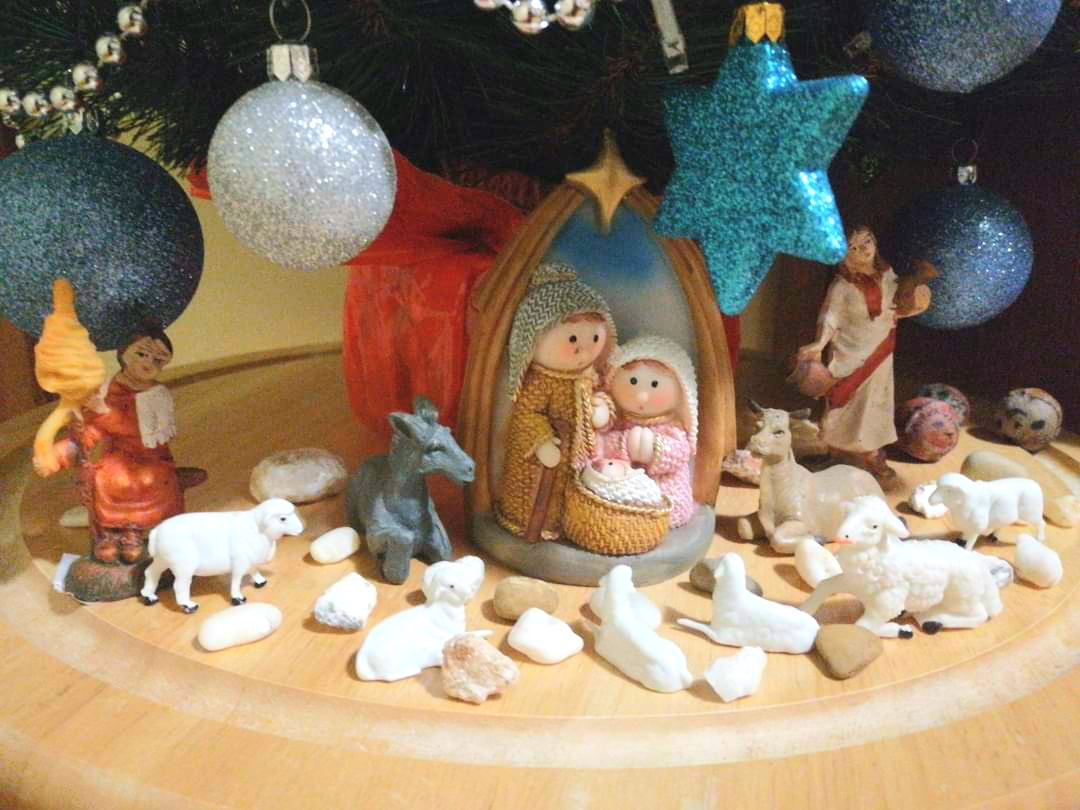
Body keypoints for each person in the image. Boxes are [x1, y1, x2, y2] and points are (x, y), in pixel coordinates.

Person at [797, 225, 930, 486]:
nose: (863, 249)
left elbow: (895, 305)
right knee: (841, 398)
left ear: (875, 242)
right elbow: (830, 316)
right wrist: (819, 343)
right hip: (848, 351)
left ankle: (872, 454)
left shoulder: (888, 275)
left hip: (879, 350)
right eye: (854, 247)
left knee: (875, 402)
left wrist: (915, 300)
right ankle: (833, 449)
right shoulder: (842, 285)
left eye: (866, 241)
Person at [495, 263, 616, 541]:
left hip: (575, 457)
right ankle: (524, 522)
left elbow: (597, 396)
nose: (584, 351)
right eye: (573, 339)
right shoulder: (541, 382)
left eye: (594, 338)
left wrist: (600, 408)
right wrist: (542, 442)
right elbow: (527, 414)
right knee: (534, 495)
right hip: (539, 461)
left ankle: (562, 527)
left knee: (566, 497)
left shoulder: (586, 376)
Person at [58, 323, 185, 564]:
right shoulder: (107, 390)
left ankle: (133, 532)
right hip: (117, 454)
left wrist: (105, 414)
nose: (148, 362)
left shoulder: (158, 396)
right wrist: (81, 436)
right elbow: (94, 428)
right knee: (107, 477)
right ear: (123, 353)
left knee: (145, 479)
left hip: (150, 457)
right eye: (142, 353)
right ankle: (109, 532)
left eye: (158, 359)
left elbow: (144, 433)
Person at [600, 335, 698, 527]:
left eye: (654, 385)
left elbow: (680, 452)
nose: (642, 396)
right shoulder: (618, 422)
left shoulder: (672, 428)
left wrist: (654, 450)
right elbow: (603, 444)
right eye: (633, 381)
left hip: (663, 491)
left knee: (666, 502)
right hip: (623, 488)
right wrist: (623, 443)